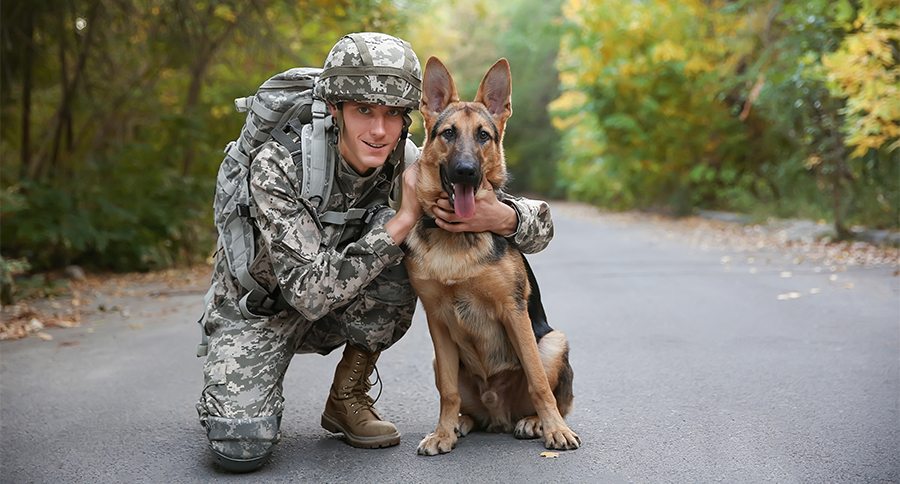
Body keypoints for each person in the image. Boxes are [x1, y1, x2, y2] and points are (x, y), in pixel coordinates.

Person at [195, 32, 556, 472]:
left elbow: (538, 228)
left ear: (409, 118)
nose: (379, 129)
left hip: (337, 307)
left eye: (390, 114)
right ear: (335, 109)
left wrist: (503, 218)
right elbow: (309, 295)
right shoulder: (280, 164)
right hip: (262, 311)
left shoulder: (413, 158)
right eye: (363, 110)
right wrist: (402, 222)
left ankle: (347, 396)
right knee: (241, 447)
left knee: (417, 263)